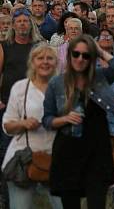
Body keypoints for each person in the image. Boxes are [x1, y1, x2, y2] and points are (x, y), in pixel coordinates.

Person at [43, 34, 114, 209]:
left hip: (97, 152)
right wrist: (64, 118)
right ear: (69, 55)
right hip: (68, 150)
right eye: (76, 54)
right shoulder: (57, 83)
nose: (80, 59)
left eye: (86, 55)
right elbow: (47, 119)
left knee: (97, 203)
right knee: (70, 204)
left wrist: (100, 51)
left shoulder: (100, 77)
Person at [1, 43, 62, 208]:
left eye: (50, 58)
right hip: (24, 158)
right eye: (40, 58)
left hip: (57, 158)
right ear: (32, 62)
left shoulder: (64, 88)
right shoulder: (20, 88)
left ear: (56, 63)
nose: (45, 62)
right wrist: (23, 123)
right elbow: (7, 126)